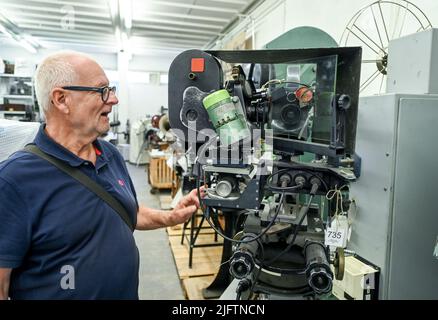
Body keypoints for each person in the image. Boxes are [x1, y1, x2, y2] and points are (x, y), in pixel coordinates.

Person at [0, 51, 202, 300]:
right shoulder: (14, 180)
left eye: (112, 89)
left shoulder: (109, 154)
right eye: (102, 90)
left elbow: (129, 210)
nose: (114, 99)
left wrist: (171, 216)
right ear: (62, 99)